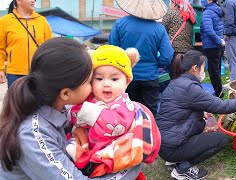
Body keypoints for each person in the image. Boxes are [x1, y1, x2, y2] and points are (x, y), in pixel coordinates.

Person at [0, 38, 143, 179]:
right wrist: (133, 164)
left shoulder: (59, 107)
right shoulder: (33, 135)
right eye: (91, 81)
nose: (96, 86)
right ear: (66, 93)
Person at [66, 45, 161, 177]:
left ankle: (89, 161)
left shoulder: (123, 103)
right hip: (92, 144)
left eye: (114, 79)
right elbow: (76, 116)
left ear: (127, 82)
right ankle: (82, 155)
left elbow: (119, 126)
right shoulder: (90, 99)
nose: (106, 84)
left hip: (112, 149)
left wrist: (92, 113)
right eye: (99, 79)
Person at [156, 50, 236, 180]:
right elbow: (221, 106)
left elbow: (182, 110)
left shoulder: (176, 82)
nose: (204, 71)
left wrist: (202, 113)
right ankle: (183, 169)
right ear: (195, 68)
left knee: (203, 126)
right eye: (203, 67)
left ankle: (175, 159)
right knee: (220, 139)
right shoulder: (190, 88)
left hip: (162, 143)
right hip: (172, 147)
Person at [108, 0, 174, 116]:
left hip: (126, 78)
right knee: (149, 114)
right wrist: (155, 64)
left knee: (126, 113)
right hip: (150, 78)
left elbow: (113, 51)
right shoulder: (159, 29)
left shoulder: (120, 24)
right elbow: (166, 57)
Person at [0, 0, 52, 88]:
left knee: (38, 101)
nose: (33, 1)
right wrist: (1, 69)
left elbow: (49, 47)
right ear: (19, 1)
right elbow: (0, 48)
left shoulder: (42, 20)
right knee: (17, 101)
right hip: (15, 74)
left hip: (38, 72)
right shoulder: (5, 21)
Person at [162, 0, 196, 78]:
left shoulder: (170, 13)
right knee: (185, 76)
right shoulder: (190, 15)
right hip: (187, 51)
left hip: (174, 51)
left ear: (174, 4)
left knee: (175, 76)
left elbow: (162, 30)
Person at [200, 0, 225, 97]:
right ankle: (220, 92)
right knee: (217, 70)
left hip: (211, 46)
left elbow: (208, 29)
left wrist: (218, 40)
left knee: (213, 72)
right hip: (218, 47)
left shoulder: (207, 12)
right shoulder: (218, 10)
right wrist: (220, 41)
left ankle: (218, 94)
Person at [223, 0, 236, 81]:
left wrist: (226, 34)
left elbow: (229, 19)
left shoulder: (228, 2)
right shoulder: (234, 1)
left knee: (232, 60)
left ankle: (233, 83)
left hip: (232, 34)